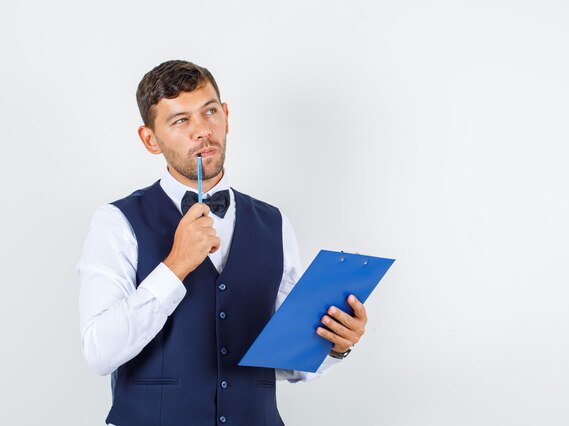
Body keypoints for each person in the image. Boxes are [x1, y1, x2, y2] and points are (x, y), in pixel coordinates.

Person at [77, 60, 368, 426]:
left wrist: (336, 344)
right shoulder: (116, 222)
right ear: (150, 139)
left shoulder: (273, 222)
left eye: (210, 111)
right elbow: (99, 352)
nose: (202, 131)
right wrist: (175, 266)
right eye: (180, 120)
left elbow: (288, 359)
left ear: (226, 116)